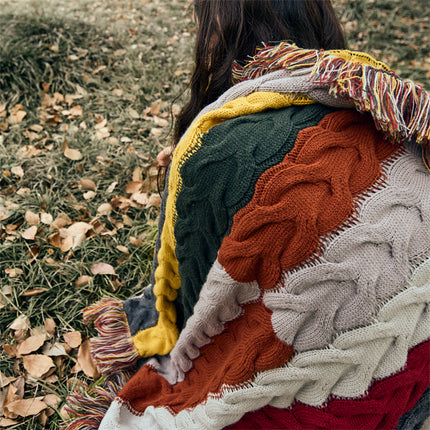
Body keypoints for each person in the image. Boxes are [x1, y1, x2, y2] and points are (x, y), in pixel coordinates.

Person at [63, 1, 430, 429]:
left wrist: (193, 171)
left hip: (334, 395)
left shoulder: (221, 150)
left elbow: (196, 306)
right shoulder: (382, 102)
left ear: (219, 35)